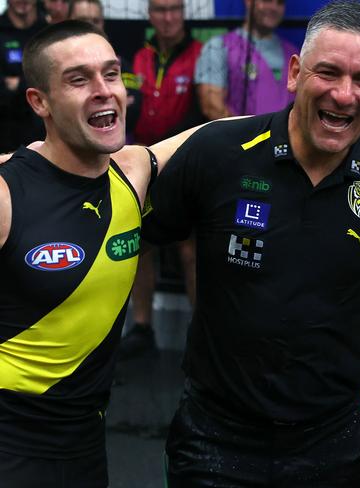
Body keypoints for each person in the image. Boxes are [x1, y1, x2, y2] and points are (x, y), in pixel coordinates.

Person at [141, 1, 360, 485]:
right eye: (328, 73)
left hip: (332, 444)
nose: (343, 95)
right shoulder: (222, 152)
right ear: (296, 72)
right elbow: (124, 234)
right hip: (213, 441)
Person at [0, 20, 195, 487]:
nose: (104, 91)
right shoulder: (7, 193)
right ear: (39, 102)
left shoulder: (132, 170)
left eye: (111, 74)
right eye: (78, 79)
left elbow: (215, 136)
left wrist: (302, 119)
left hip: (86, 443)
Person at [123, 0, 202, 358]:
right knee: (139, 245)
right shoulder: (137, 55)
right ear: (150, 14)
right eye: (160, 9)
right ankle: (141, 327)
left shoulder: (203, 54)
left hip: (187, 165)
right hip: (141, 163)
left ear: (183, 12)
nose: (167, 17)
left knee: (190, 250)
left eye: (174, 9)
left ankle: (202, 330)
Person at [194, 0, 298, 119]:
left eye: (280, 3)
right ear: (248, 2)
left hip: (287, 136)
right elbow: (212, 107)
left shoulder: (293, 52)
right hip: (241, 136)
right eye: (267, 1)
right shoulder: (218, 46)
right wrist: (249, 134)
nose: (274, 7)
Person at [68, 0, 142, 141]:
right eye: (82, 21)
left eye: (95, 21)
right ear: (68, 22)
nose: (90, 27)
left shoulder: (120, 64)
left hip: (119, 150)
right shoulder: (56, 66)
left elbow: (133, 109)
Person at [0, 0, 47, 152]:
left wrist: (18, 84)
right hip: (6, 133)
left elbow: (53, 79)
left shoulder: (47, 31)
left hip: (43, 132)